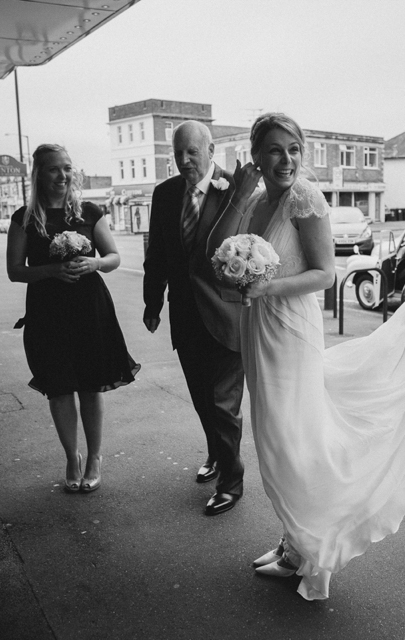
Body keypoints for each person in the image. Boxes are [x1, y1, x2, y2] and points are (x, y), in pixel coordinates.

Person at [228, 113, 405, 600]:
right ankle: (295, 542)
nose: (286, 159)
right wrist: (240, 276)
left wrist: (267, 285)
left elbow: (327, 274)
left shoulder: (305, 198)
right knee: (274, 436)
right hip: (258, 326)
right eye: (274, 150)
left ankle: (313, 550)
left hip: (290, 329)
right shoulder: (254, 199)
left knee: (295, 441)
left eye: (293, 148)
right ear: (255, 156)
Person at [7, 144, 139, 494]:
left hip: (89, 309)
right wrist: (50, 270)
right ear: (39, 174)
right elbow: (15, 271)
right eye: (54, 169)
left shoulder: (90, 212)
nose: (63, 175)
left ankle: (95, 457)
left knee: (91, 385)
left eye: (67, 168)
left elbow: (112, 256)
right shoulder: (24, 218)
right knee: (60, 388)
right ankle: (72, 456)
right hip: (48, 312)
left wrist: (94, 263)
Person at [143, 121, 246, 516]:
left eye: (192, 152)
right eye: (178, 153)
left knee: (223, 403)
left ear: (210, 149)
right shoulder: (164, 194)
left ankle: (231, 482)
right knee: (203, 398)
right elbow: (158, 256)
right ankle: (217, 454)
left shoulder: (234, 189)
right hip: (185, 315)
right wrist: (153, 304)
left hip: (225, 313)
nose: (184, 160)